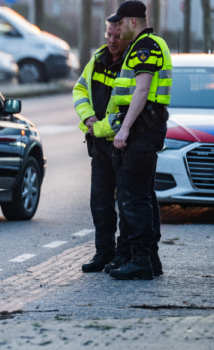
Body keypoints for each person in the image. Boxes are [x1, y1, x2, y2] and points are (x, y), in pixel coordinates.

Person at [106, 0, 171, 280]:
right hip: (146, 128)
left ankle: (142, 259)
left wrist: (125, 129)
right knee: (143, 195)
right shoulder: (146, 44)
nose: (117, 29)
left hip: (143, 129)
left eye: (120, 24)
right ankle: (150, 259)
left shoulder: (146, 46)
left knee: (134, 197)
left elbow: (142, 90)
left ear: (133, 22)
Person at [73, 20, 131, 273]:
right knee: (100, 202)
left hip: (123, 144)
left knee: (128, 204)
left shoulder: (132, 63)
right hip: (99, 145)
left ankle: (123, 255)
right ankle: (103, 253)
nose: (112, 40)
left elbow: (124, 112)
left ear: (126, 36)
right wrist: (88, 117)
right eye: (108, 34)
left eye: (117, 35)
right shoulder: (97, 59)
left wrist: (97, 127)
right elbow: (79, 90)